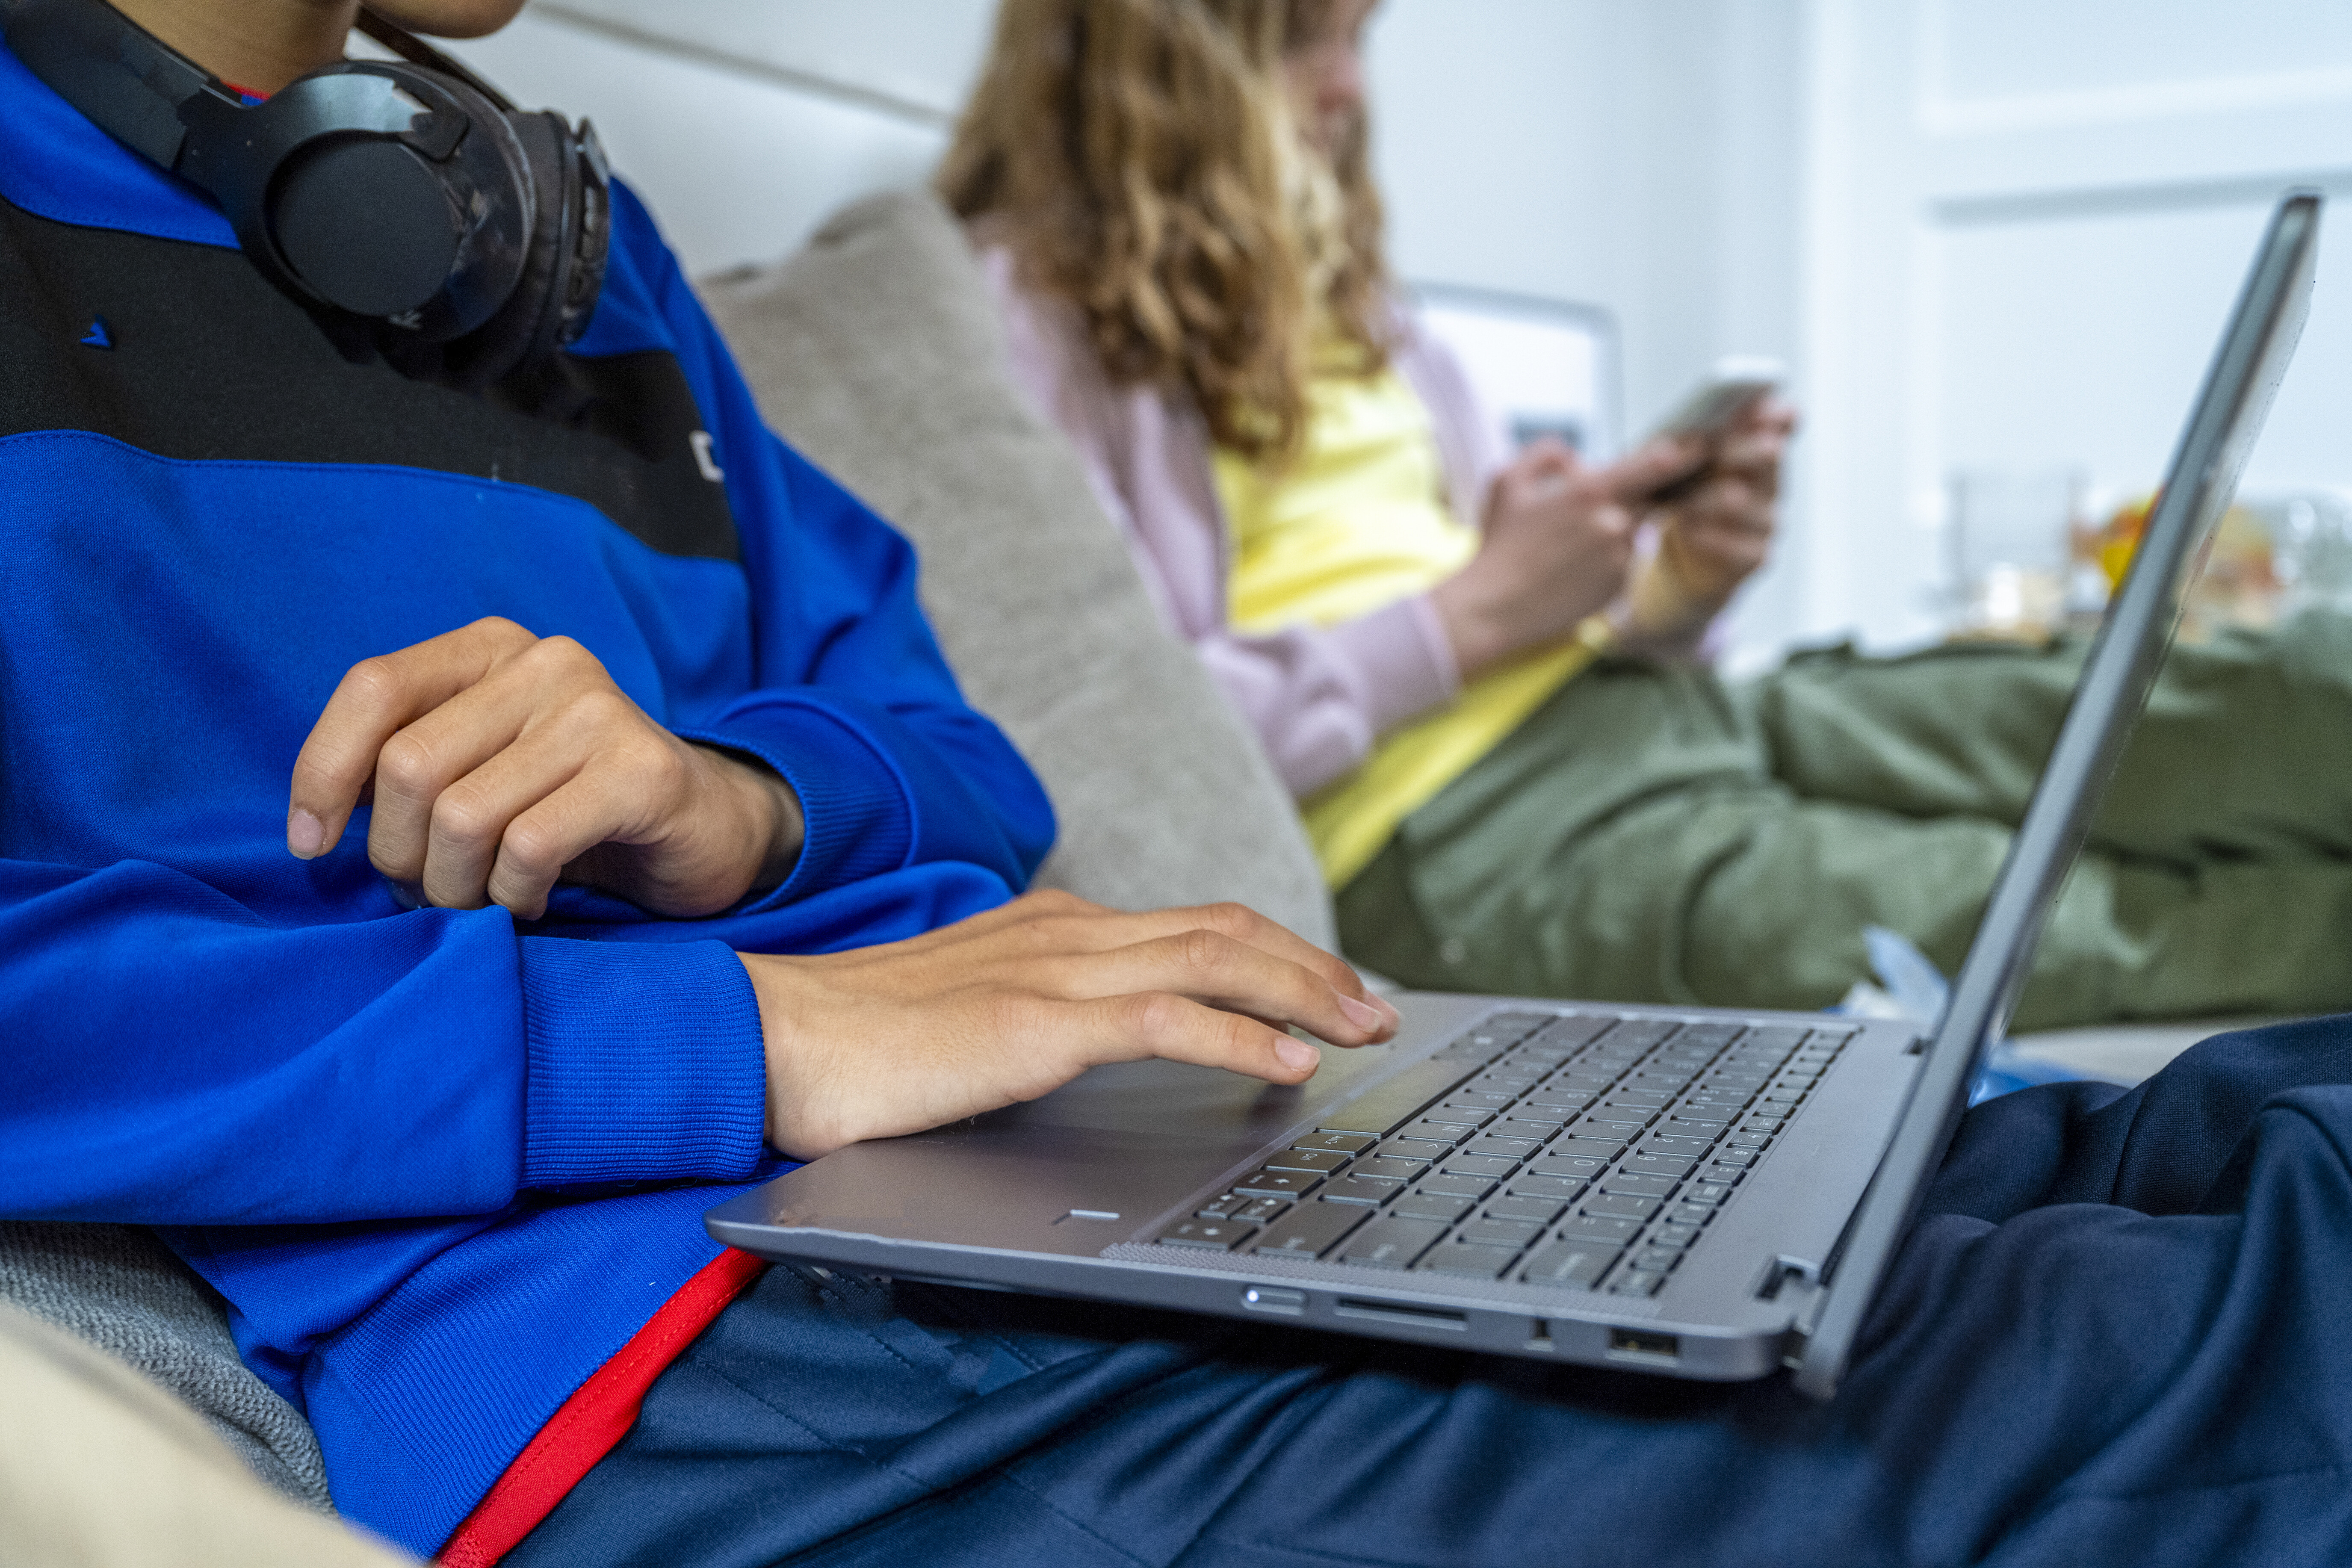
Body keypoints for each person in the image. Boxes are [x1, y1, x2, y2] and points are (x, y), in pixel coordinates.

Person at [9, 6, 2352, 1568]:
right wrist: (749, 1029)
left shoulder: (560, 256)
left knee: (2236, 1135)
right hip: (679, 1323)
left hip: (1063, 1150)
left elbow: (954, 755)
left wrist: (734, 801)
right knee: (2198, 1358)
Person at [942, 0, 2352, 1031]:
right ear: (1147, 58)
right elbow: (1119, 745)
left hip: (1653, 711)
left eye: (1359, 38)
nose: (1345, 90)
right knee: (2042, 910)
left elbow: (1547, 606)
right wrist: (1477, 611)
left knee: (2204, 696)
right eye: (1305, 39)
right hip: (1445, 837)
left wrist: (1667, 589)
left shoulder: (1367, 314)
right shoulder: (1013, 324)